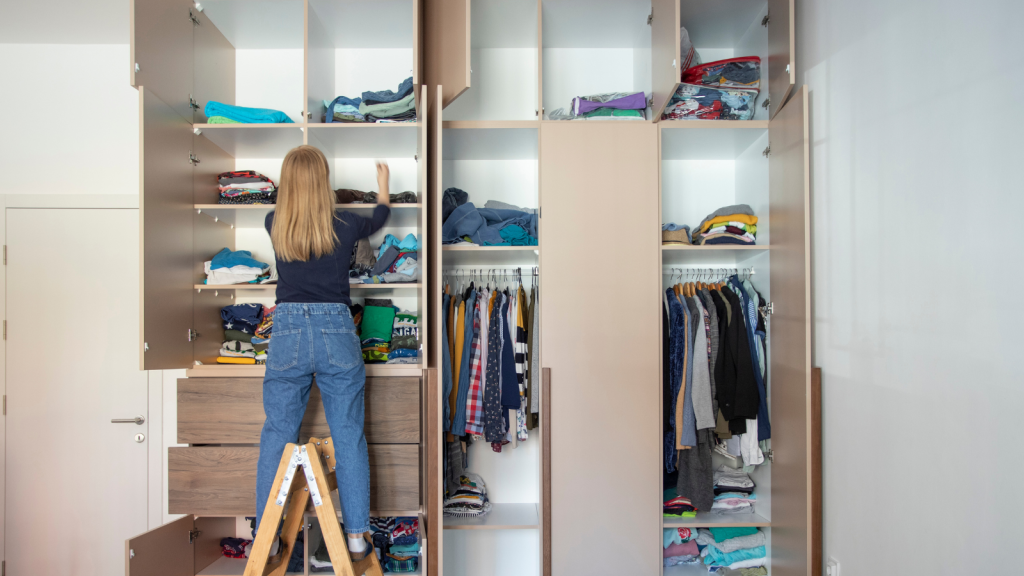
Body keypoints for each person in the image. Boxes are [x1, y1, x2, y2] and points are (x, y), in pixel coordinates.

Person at [254, 145, 391, 559]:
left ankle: (268, 535)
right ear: (323, 181)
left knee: (277, 435)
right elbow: (381, 217)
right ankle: (354, 537)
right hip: (335, 327)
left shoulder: (273, 221)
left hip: (289, 328)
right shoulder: (345, 223)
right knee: (348, 434)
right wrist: (383, 188)